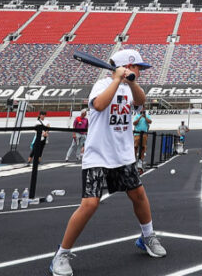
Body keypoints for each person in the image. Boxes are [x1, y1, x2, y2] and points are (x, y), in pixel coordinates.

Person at [48, 48, 165, 276]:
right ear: (127, 66)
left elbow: (141, 101)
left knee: (138, 195)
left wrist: (129, 82)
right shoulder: (102, 85)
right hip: (98, 155)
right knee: (90, 204)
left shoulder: (132, 88)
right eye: (137, 67)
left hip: (123, 156)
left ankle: (147, 237)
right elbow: (100, 105)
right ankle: (61, 254)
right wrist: (116, 79)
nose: (140, 71)